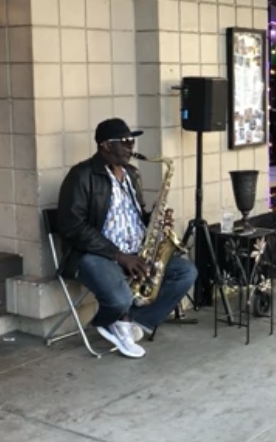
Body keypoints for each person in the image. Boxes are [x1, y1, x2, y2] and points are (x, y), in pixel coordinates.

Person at [57, 118, 198, 357]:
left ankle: (130, 322)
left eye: (132, 141)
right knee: (120, 298)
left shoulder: (132, 174)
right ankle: (106, 320)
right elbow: (72, 226)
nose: (131, 147)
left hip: (135, 253)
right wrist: (119, 256)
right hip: (95, 255)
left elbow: (134, 215)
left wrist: (154, 220)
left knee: (186, 272)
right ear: (105, 145)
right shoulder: (81, 175)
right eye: (124, 142)